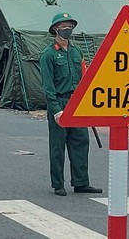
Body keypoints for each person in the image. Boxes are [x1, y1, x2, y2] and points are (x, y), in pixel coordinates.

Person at [40, 12, 102, 196]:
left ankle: (81, 182)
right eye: (63, 26)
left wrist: (87, 104)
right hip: (59, 101)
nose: (67, 29)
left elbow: (84, 79)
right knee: (58, 145)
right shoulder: (48, 55)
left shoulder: (77, 52)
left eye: (70, 26)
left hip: (77, 102)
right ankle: (58, 183)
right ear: (55, 29)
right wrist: (56, 110)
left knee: (81, 142)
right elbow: (48, 87)